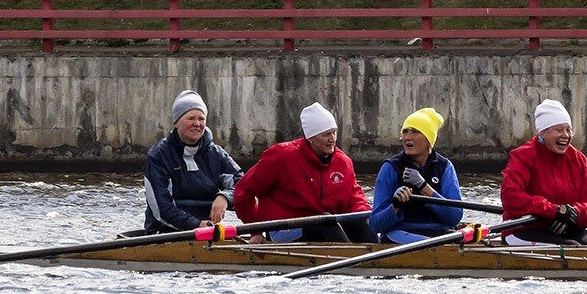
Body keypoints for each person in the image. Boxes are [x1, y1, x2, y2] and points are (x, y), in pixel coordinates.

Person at [234, 102, 376, 243]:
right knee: (325, 222)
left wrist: (365, 218)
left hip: (327, 224)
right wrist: (255, 231)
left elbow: (355, 199)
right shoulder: (281, 157)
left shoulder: (343, 162)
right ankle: (351, 261)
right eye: (326, 134)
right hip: (285, 228)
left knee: (361, 222)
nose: (332, 139)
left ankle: (377, 259)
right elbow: (244, 191)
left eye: (334, 132)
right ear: (311, 137)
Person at [500, 99, 587, 246]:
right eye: (559, 130)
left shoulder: (578, 159)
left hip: (565, 227)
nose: (566, 135)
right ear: (542, 132)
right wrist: (554, 211)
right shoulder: (523, 156)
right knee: (571, 248)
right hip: (522, 228)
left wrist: (573, 213)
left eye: (568, 130)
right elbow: (510, 197)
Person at [144, 90, 244, 234]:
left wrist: (225, 197)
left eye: (201, 119)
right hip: (165, 232)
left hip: (206, 231)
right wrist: (195, 224)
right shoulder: (158, 156)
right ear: (176, 122)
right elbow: (162, 208)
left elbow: (242, 183)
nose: (197, 124)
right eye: (191, 118)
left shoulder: (216, 154)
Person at [369, 107, 464, 243]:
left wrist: (424, 187)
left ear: (428, 140)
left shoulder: (444, 167)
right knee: (435, 247)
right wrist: (395, 205)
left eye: (415, 132)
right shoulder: (391, 168)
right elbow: (375, 224)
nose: (407, 137)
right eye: (405, 131)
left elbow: (454, 217)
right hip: (401, 233)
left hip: (440, 232)